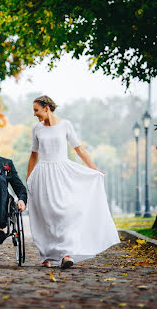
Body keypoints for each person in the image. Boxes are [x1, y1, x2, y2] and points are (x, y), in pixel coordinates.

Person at [26, 95, 120, 269]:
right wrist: (29, 177)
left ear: (47, 108)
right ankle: (47, 255)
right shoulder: (36, 129)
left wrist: (94, 169)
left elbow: (80, 149)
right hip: (43, 173)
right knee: (46, 215)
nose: (34, 114)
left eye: (36, 110)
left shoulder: (65, 125)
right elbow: (34, 154)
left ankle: (66, 254)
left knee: (65, 212)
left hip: (62, 172)